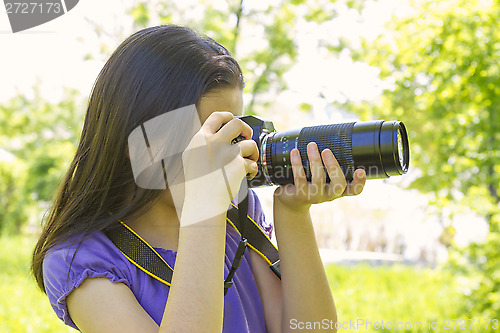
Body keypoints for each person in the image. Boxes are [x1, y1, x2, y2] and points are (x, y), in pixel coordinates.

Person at [31, 25, 366, 333]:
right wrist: (204, 209)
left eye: (234, 131)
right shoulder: (83, 259)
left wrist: (293, 214)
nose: (230, 152)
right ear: (140, 142)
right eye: (211, 136)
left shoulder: (238, 213)